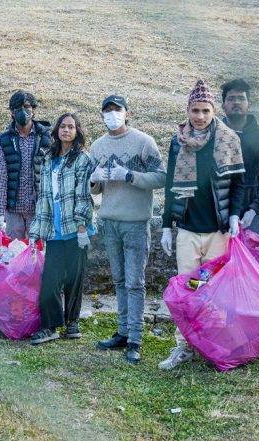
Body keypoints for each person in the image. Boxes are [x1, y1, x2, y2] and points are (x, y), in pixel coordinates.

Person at [158, 80, 246, 370]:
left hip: (217, 231)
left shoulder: (228, 139)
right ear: (187, 110)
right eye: (195, 110)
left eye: (205, 110)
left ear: (214, 110)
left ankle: (215, 344)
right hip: (188, 230)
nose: (199, 116)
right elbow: (171, 184)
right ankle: (184, 346)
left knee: (216, 292)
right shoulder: (178, 141)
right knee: (188, 290)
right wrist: (167, 225)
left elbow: (239, 184)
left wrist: (234, 215)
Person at [90, 95, 166, 364]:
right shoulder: (97, 146)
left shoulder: (144, 142)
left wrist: (130, 176)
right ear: (102, 115)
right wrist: (93, 179)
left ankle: (135, 338)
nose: (112, 114)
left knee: (135, 282)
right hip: (109, 220)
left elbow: (161, 177)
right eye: (107, 111)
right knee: (119, 280)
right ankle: (122, 332)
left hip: (135, 222)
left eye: (117, 110)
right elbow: (95, 187)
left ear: (127, 113)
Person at [28, 113, 95, 345]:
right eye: (63, 127)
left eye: (71, 127)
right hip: (54, 230)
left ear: (77, 131)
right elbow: (44, 197)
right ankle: (50, 326)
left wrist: (81, 225)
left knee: (75, 278)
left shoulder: (83, 160)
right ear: (56, 130)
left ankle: (73, 322)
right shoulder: (48, 159)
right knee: (51, 280)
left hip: (76, 229)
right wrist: (37, 230)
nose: (66, 130)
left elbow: (84, 195)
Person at [220, 79, 259, 233]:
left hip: (256, 217)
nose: (236, 102)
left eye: (241, 98)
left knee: (256, 258)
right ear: (223, 105)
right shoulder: (215, 137)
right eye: (231, 99)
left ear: (249, 103)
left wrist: (254, 209)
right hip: (220, 216)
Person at [0, 91, 52, 239]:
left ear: (33, 110)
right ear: (12, 112)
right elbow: (1, 176)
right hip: (13, 209)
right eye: (18, 108)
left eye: (27, 106)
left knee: (37, 251)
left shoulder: (47, 138)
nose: (23, 111)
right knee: (12, 252)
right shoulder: (4, 140)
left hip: (38, 208)